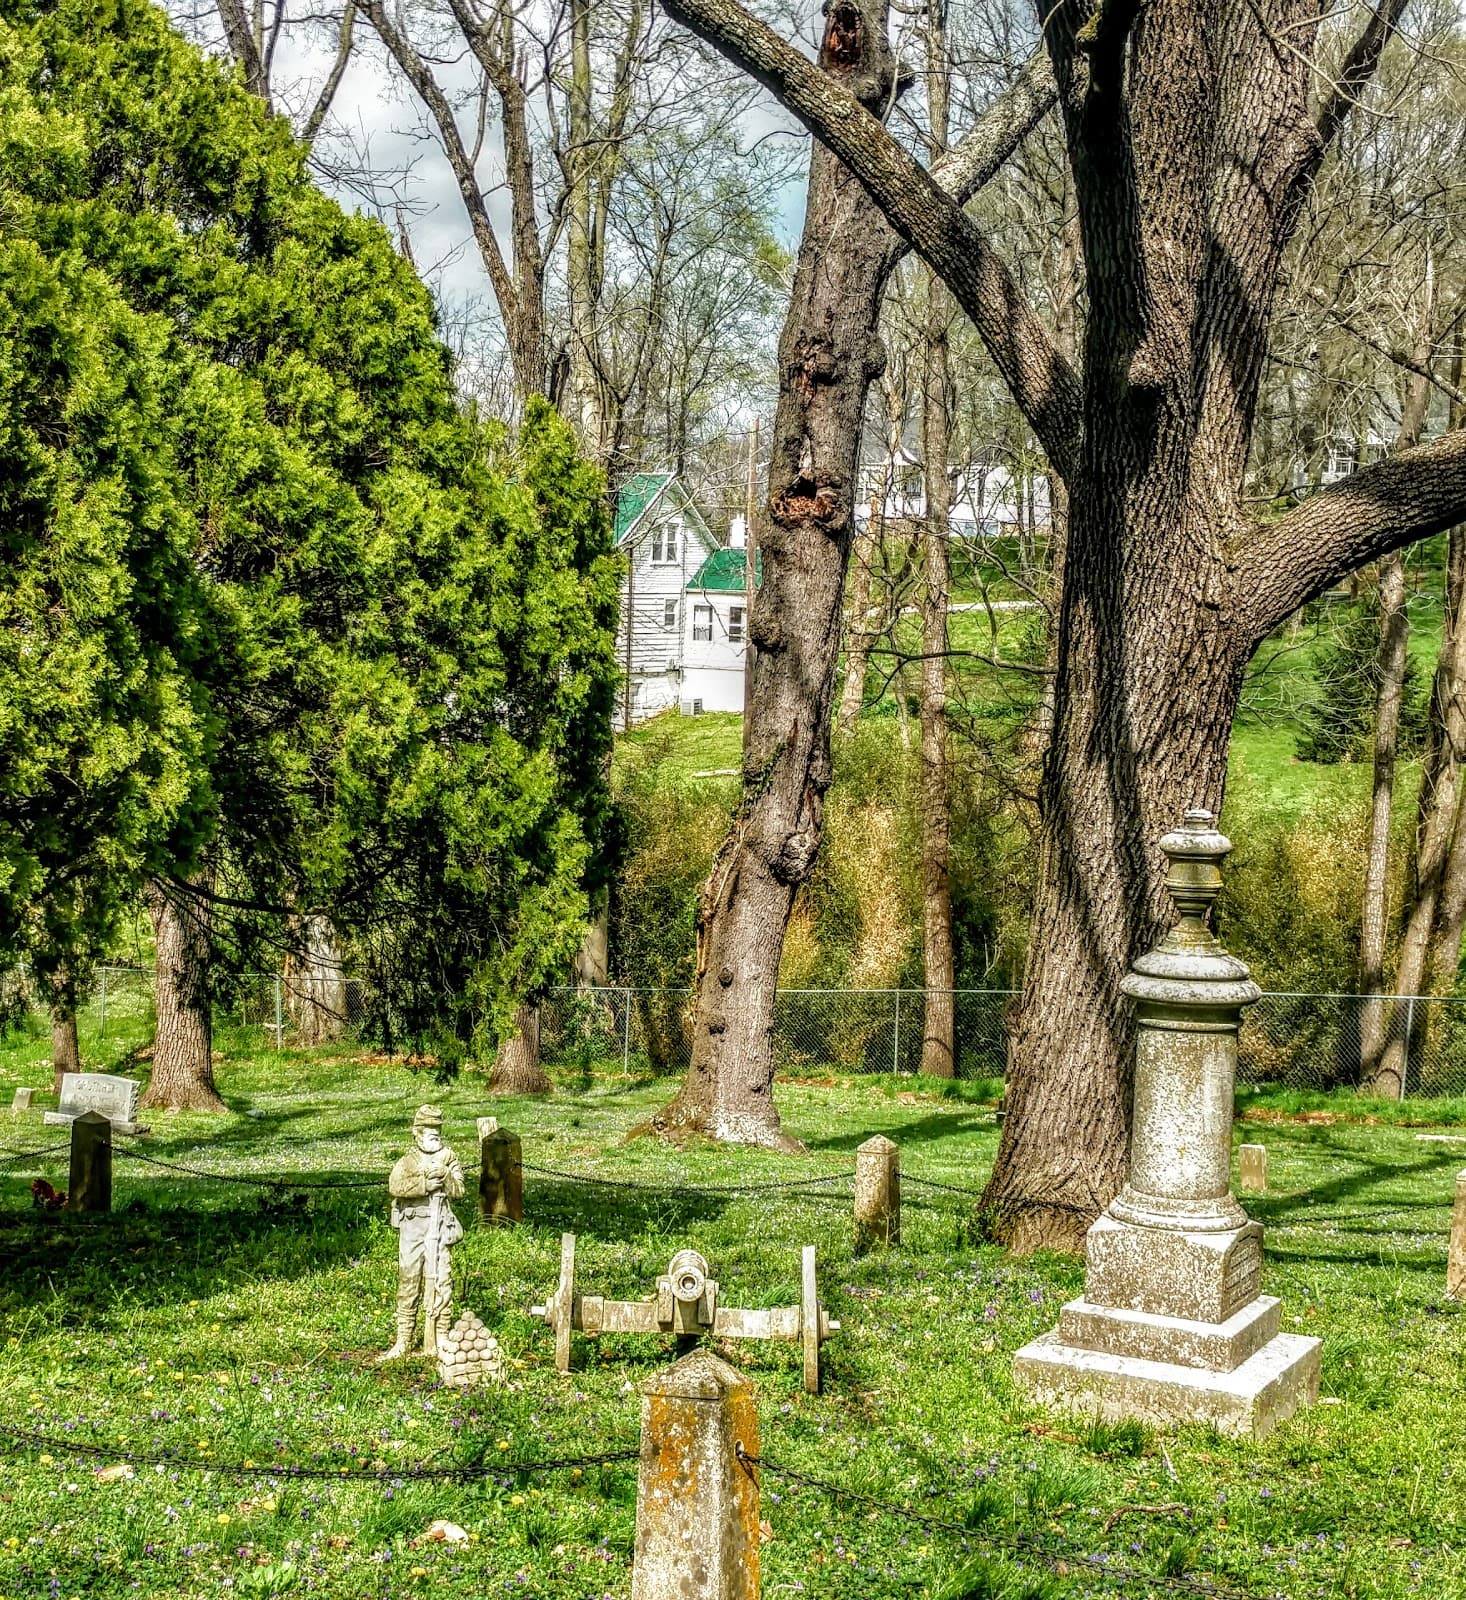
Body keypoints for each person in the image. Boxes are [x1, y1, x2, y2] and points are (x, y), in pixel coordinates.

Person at [378, 1105, 464, 1360]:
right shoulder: (407, 1161)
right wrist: (424, 1185)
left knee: (441, 1282)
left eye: (438, 1131)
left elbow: (459, 1190)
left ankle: (440, 1338)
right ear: (417, 1133)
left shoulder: (448, 1157)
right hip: (413, 1229)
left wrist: (447, 1176)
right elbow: (396, 1185)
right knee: (409, 1281)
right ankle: (403, 1340)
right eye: (430, 1132)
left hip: (439, 1227)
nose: (435, 1136)